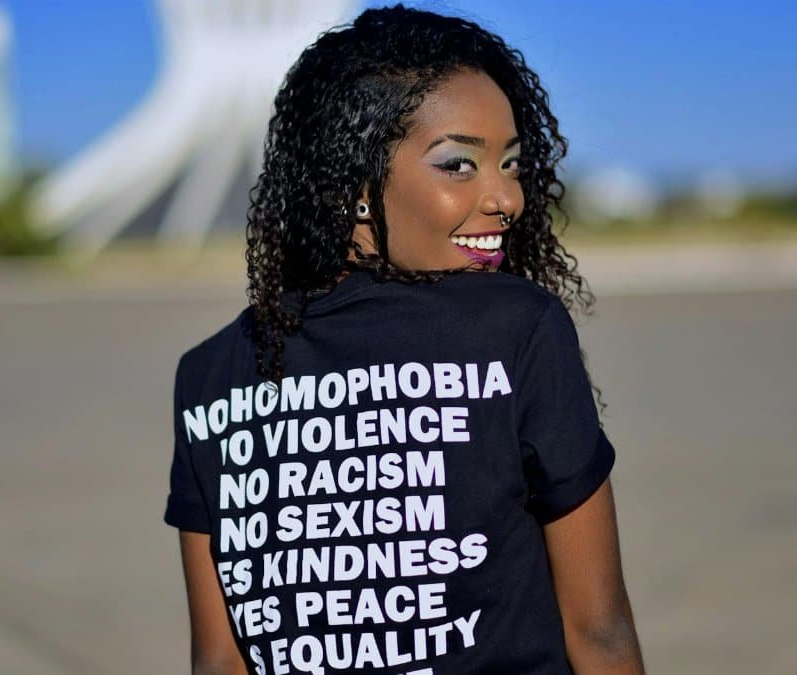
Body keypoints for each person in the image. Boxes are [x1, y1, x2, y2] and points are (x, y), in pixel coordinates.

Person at [164, 4, 645, 673]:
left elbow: (219, 662)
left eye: (511, 163)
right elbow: (598, 629)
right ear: (356, 187)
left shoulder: (209, 373)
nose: (509, 198)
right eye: (459, 165)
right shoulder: (516, 328)